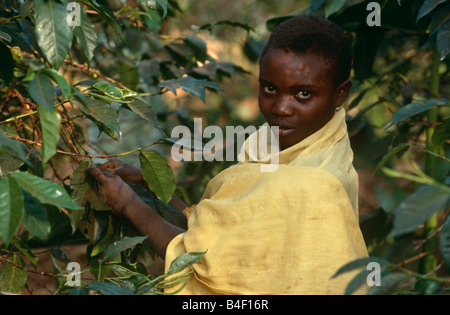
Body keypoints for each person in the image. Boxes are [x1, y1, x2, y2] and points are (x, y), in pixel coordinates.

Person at [88, 15, 369, 295]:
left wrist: (127, 204)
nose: (281, 108)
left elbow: (200, 261)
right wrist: (145, 182)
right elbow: (227, 238)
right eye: (270, 88)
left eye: (303, 94)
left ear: (340, 93)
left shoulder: (314, 183)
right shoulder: (313, 148)